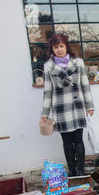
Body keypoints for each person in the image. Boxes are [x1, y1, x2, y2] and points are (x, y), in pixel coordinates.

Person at [40, 33, 94, 177]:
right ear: (52, 49)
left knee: (78, 140)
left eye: (61, 46)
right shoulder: (48, 66)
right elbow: (47, 90)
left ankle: (80, 170)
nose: (59, 49)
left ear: (66, 46)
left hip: (76, 107)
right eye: (56, 47)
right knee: (67, 142)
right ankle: (72, 170)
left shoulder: (78, 63)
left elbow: (85, 85)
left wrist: (90, 106)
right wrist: (45, 113)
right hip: (60, 108)